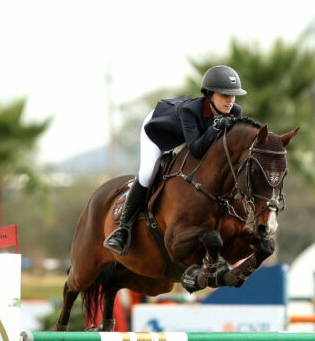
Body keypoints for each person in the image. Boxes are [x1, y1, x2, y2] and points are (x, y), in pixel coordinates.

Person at [104, 65, 248, 255]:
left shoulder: (235, 112)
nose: (230, 100)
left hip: (187, 137)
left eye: (233, 95)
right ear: (210, 95)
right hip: (158, 131)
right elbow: (196, 149)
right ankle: (122, 229)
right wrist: (215, 127)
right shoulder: (192, 111)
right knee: (147, 174)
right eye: (224, 95)